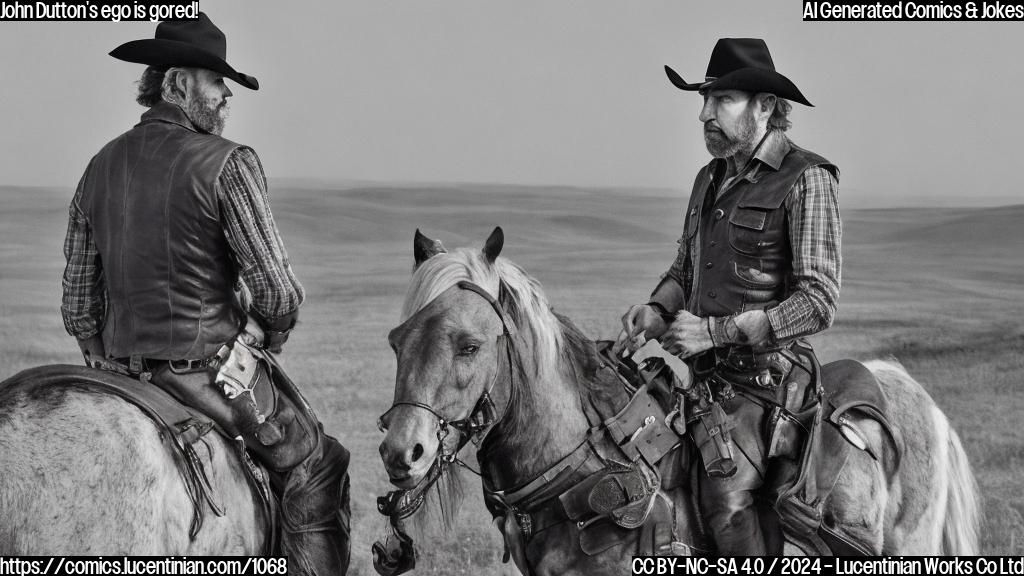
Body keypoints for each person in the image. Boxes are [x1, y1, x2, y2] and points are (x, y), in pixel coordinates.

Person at [60, 13, 350, 574]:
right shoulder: (228, 165)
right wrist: (266, 329)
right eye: (216, 82)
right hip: (209, 372)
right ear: (175, 85)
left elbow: (78, 302)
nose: (226, 97)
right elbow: (278, 290)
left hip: (117, 374)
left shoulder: (97, 167)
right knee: (318, 463)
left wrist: (103, 358)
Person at [615, 38, 841, 555]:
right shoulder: (708, 179)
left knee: (723, 503)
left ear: (765, 106)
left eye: (721, 101)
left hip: (769, 384)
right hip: (703, 379)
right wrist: (656, 310)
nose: (704, 114)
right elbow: (684, 270)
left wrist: (712, 331)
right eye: (703, 100)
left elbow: (818, 300)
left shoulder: (807, 178)